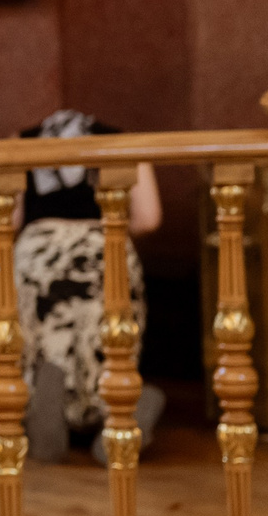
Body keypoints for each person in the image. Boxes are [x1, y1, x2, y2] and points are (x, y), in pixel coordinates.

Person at [15, 110, 164, 466]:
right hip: (101, 247)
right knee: (108, 337)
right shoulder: (124, 139)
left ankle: (43, 389)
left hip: (40, 251)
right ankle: (119, 408)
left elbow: (12, 218)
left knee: (48, 337)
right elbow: (149, 218)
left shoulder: (22, 140)